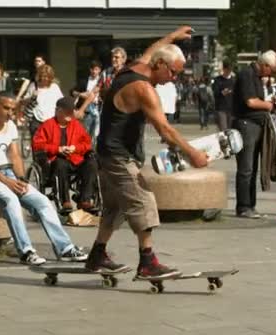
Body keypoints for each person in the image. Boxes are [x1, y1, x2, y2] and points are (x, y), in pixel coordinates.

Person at [84, 26, 208, 278]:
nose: (173, 78)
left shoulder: (133, 68)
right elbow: (164, 128)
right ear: (161, 64)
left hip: (106, 152)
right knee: (144, 202)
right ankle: (147, 262)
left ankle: (97, 255)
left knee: (115, 208)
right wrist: (192, 153)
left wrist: (172, 36)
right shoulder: (144, 89)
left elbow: (153, 49)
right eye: (173, 72)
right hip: (119, 157)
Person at [0, 92, 88, 265]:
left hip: (8, 173)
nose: (10, 113)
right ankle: (26, 251)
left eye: (13, 109)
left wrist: (22, 180)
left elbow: (16, 156)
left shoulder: (10, 126)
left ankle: (65, 248)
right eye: (6, 108)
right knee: (10, 199)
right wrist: (7, 182)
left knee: (43, 202)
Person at [232, 50, 276, 219]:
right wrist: (268, 105)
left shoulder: (259, 78)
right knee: (246, 168)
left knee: (252, 168)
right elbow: (250, 101)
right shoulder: (247, 75)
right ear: (265, 65)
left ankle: (250, 205)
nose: (272, 73)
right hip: (246, 124)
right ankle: (244, 206)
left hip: (256, 125)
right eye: (272, 69)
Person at [32, 96, 97, 213]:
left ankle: (84, 199)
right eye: (67, 111)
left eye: (71, 112)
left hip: (76, 158)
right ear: (58, 111)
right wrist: (58, 149)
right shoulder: (47, 125)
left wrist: (75, 148)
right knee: (60, 163)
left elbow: (87, 143)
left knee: (91, 164)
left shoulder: (76, 124)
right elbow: (38, 145)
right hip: (56, 160)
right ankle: (65, 201)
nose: (70, 114)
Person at [23, 64, 64, 137]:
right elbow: (24, 101)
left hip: (51, 120)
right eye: (43, 76)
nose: (45, 78)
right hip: (36, 120)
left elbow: (61, 102)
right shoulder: (34, 86)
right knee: (37, 145)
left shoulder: (54, 87)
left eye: (47, 76)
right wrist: (32, 97)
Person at [72, 60, 102, 145]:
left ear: (99, 70)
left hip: (98, 109)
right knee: (85, 132)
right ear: (90, 70)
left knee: (96, 134)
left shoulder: (101, 81)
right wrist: (81, 94)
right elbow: (72, 91)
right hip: (86, 110)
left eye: (96, 69)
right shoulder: (84, 80)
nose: (94, 71)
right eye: (92, 69)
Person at [212, 60, 235, 131]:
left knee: (231, 130)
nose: (229, 71)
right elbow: (215, 92)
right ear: (224, 69)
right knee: (223, 129)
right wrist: (222, 92)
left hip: (232, 109)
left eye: (230, 69)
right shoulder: (218, 80)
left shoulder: (234, 80)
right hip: (221, 108)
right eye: (227, 69)